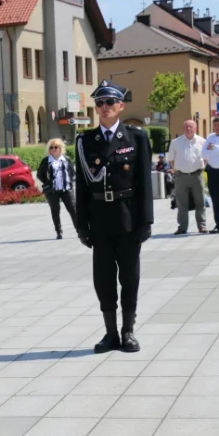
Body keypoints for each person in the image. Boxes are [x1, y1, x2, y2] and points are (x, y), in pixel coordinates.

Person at [75, 81, 153, 354]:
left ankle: (128, 331)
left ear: (121, 106)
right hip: (100, 221)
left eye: (110, 103)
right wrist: (81, 226)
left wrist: (147, 221)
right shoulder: (85, 142)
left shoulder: (137, 138)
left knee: (129, 278)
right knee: (104, 279)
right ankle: (110, 334)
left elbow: (144, 182)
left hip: (129, 219)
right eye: (99, 103)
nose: (104, 108)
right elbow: (81, 187)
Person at [166, 120, 207, 235]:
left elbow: (206, 157)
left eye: (191, 127)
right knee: (181, 203)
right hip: (181, 176)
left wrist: (203, 167)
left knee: (200, 202)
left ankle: (202, 226)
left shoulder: (202, 141)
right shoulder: (175, 142)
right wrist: (177, 170)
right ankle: (182, 227)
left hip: (197, 176)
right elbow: (171, 159)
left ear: (195, 128)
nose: (188, 129)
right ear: (183, 129)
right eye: (186, 127)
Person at [36, 139, 77, 240]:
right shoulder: (46, 161)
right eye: (51, 147)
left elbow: (72, 172)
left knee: (73, 209)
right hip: (52, 190)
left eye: (56, 147)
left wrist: (68, 181)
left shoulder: (66, 159)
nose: (53, 149)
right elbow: (39, 175)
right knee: (55, 210)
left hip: (66, 189)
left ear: (60, 148)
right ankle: (59, 232)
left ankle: (79, 230)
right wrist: (48, 182)